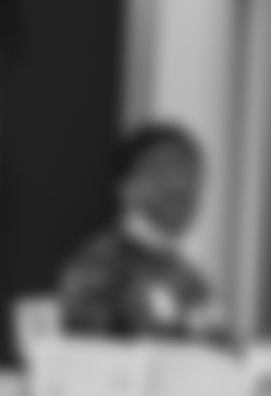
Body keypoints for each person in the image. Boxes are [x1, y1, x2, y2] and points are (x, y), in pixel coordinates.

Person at [58, 123, 223, 341]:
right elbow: (84, 355)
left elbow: (217, 345)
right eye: (163, 171)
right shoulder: (98, 265)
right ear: (125, 187)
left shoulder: (192, 278)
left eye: (190, 172)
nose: (180, 186)